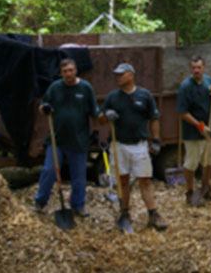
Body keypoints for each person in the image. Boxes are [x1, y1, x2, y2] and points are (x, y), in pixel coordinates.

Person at [100, 63, 167, 231]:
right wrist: (106, 116)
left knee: (145, 180)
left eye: (121, 74)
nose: (117, 77)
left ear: (131, 75)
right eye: (116, 75)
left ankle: (153, 214)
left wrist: (156, 140)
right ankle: (124, 214)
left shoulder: (145, 95)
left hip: (139, 145)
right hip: (119, 144)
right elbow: (99, 118)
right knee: (123, 180)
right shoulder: (112, 97)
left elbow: (154, 118)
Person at [34, 58, 99, 217]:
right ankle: (40, 202)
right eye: (65, 71)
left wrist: (97, 130)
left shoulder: (85, 88)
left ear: (76, 70)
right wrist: (45, 108)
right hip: (57, 140)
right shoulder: (55, 87)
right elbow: (42, 107)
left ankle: (78, 205)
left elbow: (94, 112)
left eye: (71, 70)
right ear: (61, 73)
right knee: (49, 171)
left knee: (79, 177)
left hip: (78, 140)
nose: (68, 74)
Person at [177, 56, 211, 206]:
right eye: (194, 68)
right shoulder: (185, 87)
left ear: (204, 67)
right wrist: (200, 126)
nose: (196, 70)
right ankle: (190, 192)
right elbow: (182, 113)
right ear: (191, 69)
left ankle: (205, 188)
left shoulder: (208, 80)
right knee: (191, 164)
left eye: (199, 67)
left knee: (210, 161)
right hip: (192, 133)